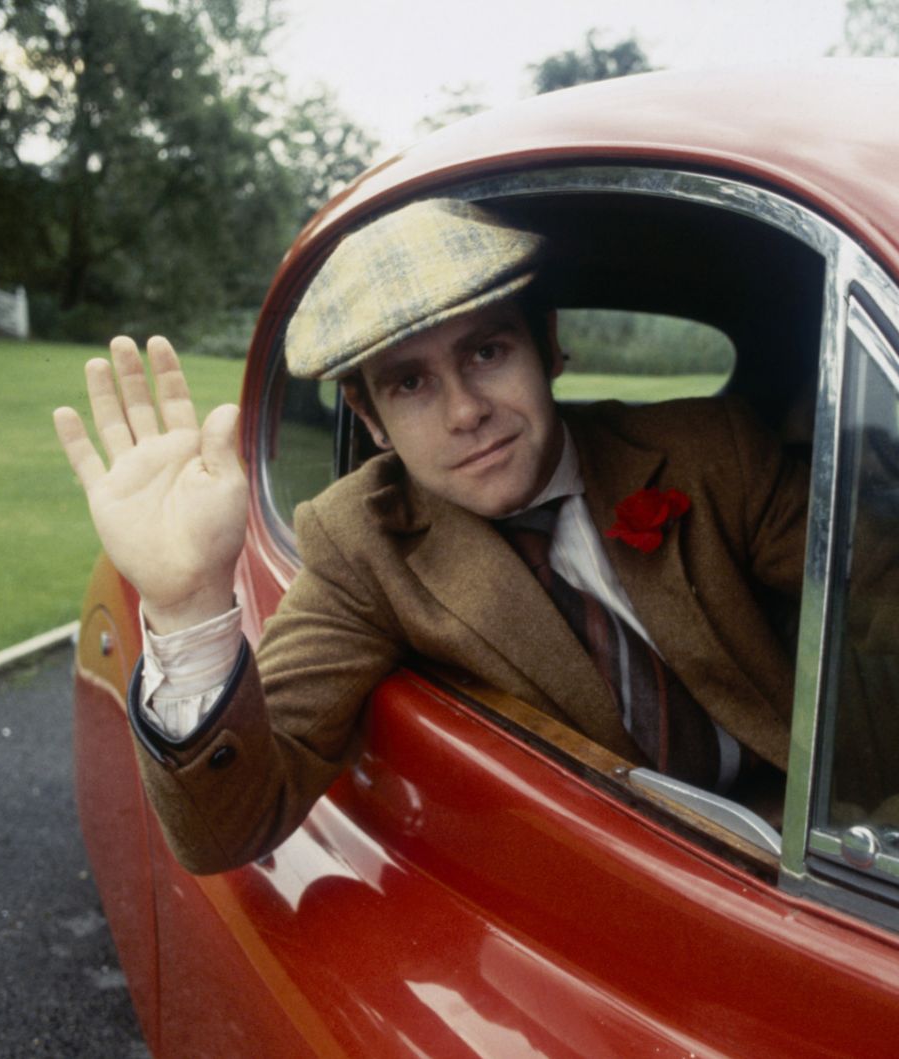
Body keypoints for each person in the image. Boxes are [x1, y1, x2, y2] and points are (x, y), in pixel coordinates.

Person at [55, 200, 807, 873]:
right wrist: (187, 606)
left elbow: (888, 592)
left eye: (486, 351)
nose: (464, 412)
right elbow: (227, 826)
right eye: (410, 383)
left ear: (546, 346)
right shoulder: (363, 543)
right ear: (371, 418)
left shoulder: (710, 449)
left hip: (833, 853)